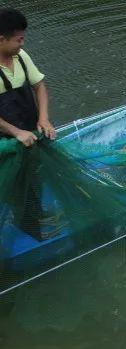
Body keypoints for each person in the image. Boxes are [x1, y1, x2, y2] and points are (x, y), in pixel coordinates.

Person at [0, 8, 56, 241]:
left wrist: (43, 119)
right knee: (15, 183)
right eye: (18, 39)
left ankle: (38, 215)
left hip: (29, 131)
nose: (22, 44)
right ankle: (30, 229)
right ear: (1, 39)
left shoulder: (21, 57)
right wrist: (16, 132)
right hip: (5, 141)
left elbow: (40, 86)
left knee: (34, 174)